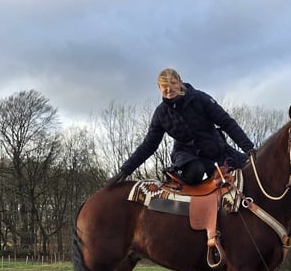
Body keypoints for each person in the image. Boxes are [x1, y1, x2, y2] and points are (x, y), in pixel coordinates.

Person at [106, 68, 256, 187]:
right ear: (159, 88)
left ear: (180, 82)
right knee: (196, 171)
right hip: (188, 155)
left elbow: (226, 122)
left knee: (251, 171)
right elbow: (149, 145)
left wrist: (248, 147)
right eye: (164, 86)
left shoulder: (200, 99)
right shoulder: (161, 114)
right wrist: (125, 170)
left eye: (172, 83)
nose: (169, 89)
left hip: (215, 149)